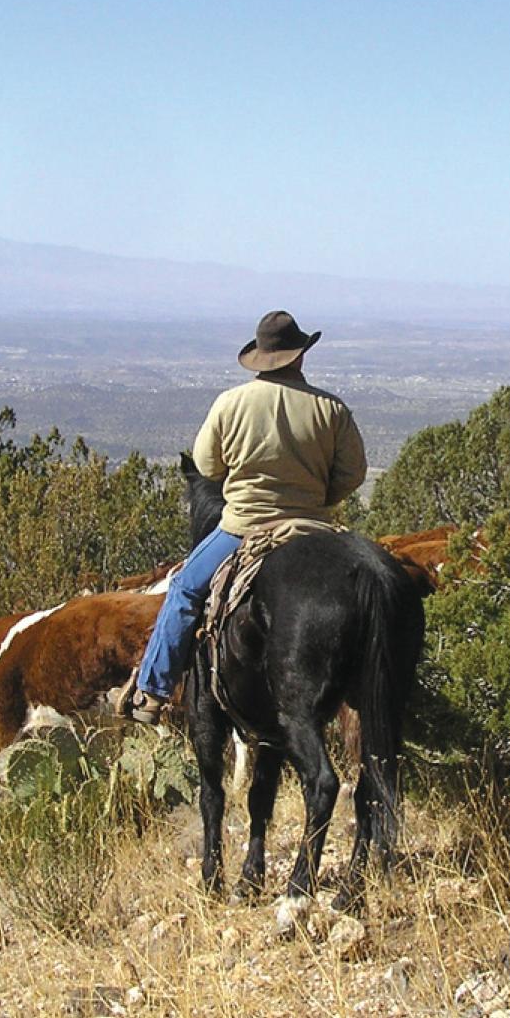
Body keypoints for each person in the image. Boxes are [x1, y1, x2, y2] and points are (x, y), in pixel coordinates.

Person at [117, 310, 367, 723]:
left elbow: (207, 465)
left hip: (242, 528)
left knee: (184, 589)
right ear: (300, 355)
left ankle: (152, 692)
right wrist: (318, 500)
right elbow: (352, 474)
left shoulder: (230, 403)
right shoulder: (332, 409)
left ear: (261, 358)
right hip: (312, 528)